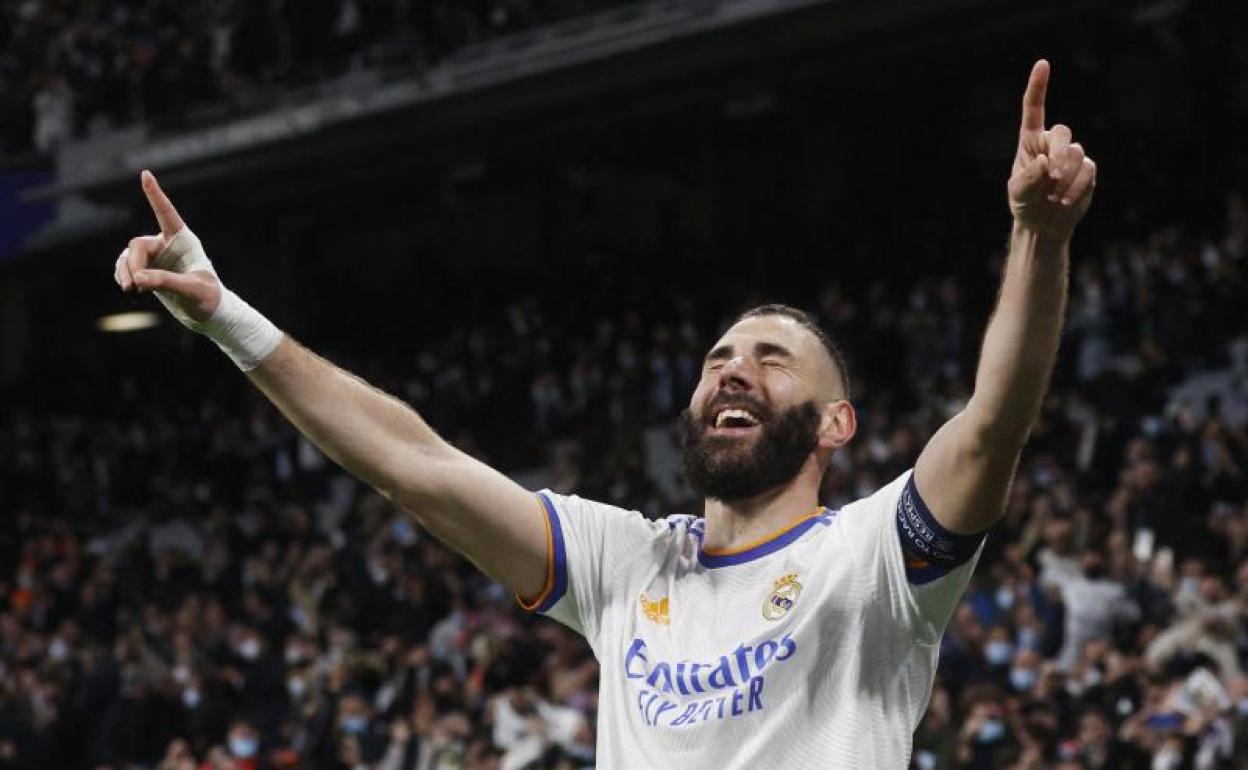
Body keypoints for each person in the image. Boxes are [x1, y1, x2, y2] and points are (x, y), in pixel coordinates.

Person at [111, 59, 1097, 767]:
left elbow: (992, 422)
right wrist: (230, 318)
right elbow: (413, 463)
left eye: (770, 359)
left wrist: (1038, 241)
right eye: (718, 360)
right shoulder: (626, 563)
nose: (733, 373)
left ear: (837, 424)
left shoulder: (877, 558)